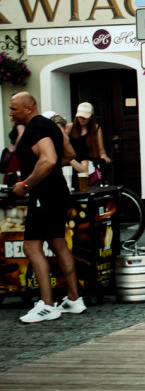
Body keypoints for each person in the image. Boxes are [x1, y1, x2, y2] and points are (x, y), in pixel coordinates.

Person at [10, 93, 83, 323]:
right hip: (57, 192)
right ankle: (73, 299)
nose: (10, 113)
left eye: (14, 109)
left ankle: (47, 305)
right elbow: (69, 154)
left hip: (45, 195)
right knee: (58, 243)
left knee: (31, 247)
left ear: (29, 108)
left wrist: (26, 183)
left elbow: (50, 159)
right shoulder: (50, 126)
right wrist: (40, 168)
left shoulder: (35, 128)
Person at [67, 102, 110, 182]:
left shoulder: (96, 129)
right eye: (80, 117)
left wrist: (103, 156)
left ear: (91, 117)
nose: (82, 120)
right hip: (74, 162)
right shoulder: (71, 127)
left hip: (89, 163)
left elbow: (101, 149)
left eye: (85, 117)